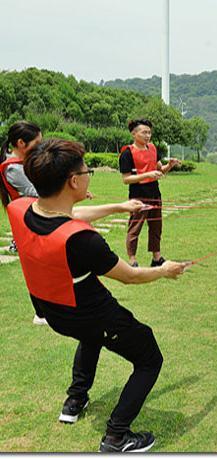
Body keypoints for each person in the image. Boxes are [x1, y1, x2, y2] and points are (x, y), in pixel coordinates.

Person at [7, 139, 189, 452]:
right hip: (90, 313)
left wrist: (120, 206)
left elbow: (69, 215)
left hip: (54, 312)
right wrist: (164, 270)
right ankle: (117, 436)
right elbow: (129, 276)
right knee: (149, 357)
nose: (88, 175)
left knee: (90, 337)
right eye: (86, 171)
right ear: (73, 181)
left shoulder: (21, 208)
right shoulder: (83, 241)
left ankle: (75, 400)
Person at [0, 121, 48, 325]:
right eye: (36, 143)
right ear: (21, 143)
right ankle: (40, 314)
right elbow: (34, 192)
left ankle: (45, 312)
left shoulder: (22, 163)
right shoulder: (12, 168)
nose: (40, 147)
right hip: (27, 222)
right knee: (35, 270)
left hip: (34, 218)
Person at [119, 119, 180, 267]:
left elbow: (160, 170)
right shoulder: (127, 153)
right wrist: (147, 175)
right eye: (144, 132)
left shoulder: (152, 148)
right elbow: (126, 179)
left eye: (149, 132)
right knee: (135, 227)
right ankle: (132, 260)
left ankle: (156, 258)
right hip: (138, 195)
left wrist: (169, 165)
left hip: (155, 194)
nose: (147, 135)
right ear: (134, 134)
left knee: (156, 226)